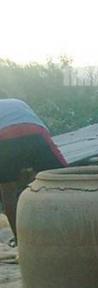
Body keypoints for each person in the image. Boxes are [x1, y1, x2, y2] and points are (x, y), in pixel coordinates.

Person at [0, 98, 68, 244]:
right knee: (64, 180)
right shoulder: (17, 102)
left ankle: (20, 240)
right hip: (35, 131)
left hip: (3, 136)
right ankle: (71, 227)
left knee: (7, 192)